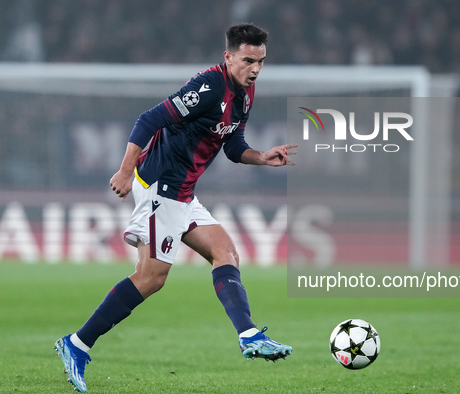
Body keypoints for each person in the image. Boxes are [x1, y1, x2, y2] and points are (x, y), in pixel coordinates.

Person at [54, 23, 296, 393]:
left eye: (261, 61)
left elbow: (233, 146)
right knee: (152, 277)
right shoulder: (208, 86)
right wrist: (124, 170)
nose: (256, 69)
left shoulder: (245, 93)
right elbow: (149, 119)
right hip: (161, 187)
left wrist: (261, 157)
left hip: (183, 191)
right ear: (228, 57)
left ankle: (249, 335)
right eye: (248, 60)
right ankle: (77, 344)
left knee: (225, 252)